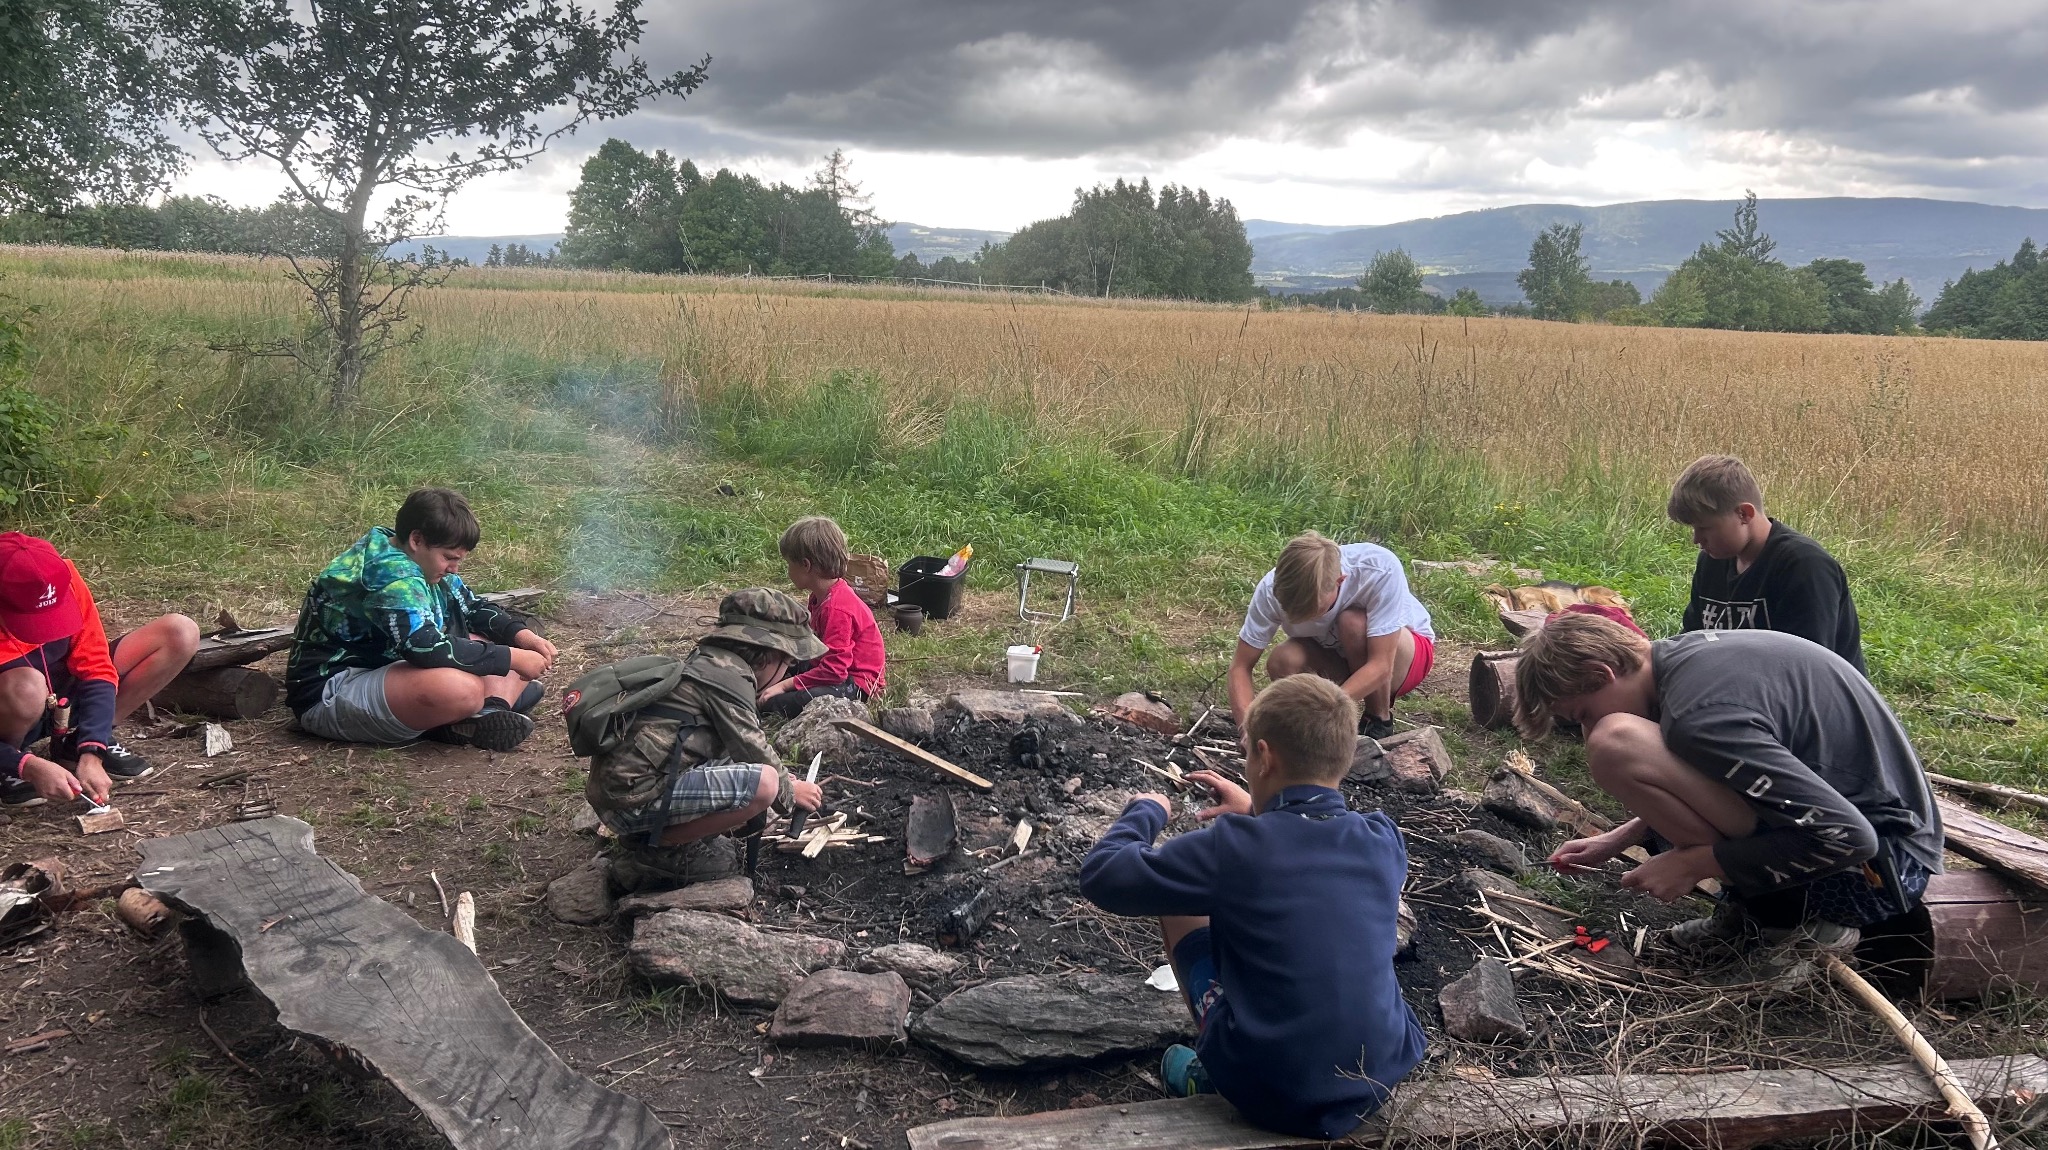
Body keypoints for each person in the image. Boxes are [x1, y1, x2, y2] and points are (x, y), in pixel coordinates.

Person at [1078, 675, 1425, 1140]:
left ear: (1264, 756)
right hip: (1378, 1076)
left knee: (1180, 905)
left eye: (1246, 755)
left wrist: (1147, 810)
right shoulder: (1383, 838)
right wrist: (1263, 815)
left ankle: (1212, 1069)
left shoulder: (1234, 849)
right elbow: (1306, 856)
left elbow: (1104, 876)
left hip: (1272, 1088)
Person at [1517, 612, 1942, 957]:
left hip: (1874, 877)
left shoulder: (1700, 716)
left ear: (1602, 672)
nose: (1587, 730)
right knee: (1628, 745)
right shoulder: (1682, 663)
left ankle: (1787, 929)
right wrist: (1617, 839)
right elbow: (1716, 783)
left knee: (1616, 744)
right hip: (1884, 844)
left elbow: (1850, 839)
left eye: (1582, 715)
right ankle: (1753, 913)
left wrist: (1692, 864)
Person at [580, 588, 825, 890]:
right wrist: (790, 790)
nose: (788, 670)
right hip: (631, 803)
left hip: (624, 792)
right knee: (766, 784)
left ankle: (651, 834)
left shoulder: (713, 661)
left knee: (758, 775)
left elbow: (739, 745)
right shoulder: (728, 678)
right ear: (769, 655)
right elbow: (754, 749)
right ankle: (662, 849)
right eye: (788, 663)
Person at [285, 488, 557, 752]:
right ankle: (475, 706)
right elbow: (423, 647)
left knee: (505, 644)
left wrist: (522, 637)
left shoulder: (417, 559)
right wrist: (511, 659)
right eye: (449, 558)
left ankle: (487, 711)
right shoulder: (391, 574)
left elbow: (472, 607)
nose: (454, 568)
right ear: (417, 540)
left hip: (388, 671)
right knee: (464, 688)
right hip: (331, 692)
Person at [0, 533, 199, 807]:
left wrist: (92, 748)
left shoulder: (56, 578)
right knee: (27, 686)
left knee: (179, 632)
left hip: (61, 697)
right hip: (15, 703)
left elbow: (96, 666)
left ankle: (77, 741)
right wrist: (24, 764)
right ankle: (6, 764)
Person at [1227, 531, 1434, 740]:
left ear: (1340, 581)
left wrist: (1326, 711)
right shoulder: (1271, 589)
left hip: (1404, 658)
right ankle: (1306, 731)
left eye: (1315, 610)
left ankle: (1378, 719)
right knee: (1284, 660)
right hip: (1340, 657)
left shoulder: (1378, 568)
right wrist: (1247, 730)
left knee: (1352, 622)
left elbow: (1381, 666)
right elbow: (1240, 667)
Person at [1669, 454, 1865, 674]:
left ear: (1744, 514)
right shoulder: (1712, 561)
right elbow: (1692, 640)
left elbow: (1807, 670)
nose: (1697, 540)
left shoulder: (1805, 567)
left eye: (1704, 528)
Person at [757, 517, 885, 719]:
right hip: (831, 668)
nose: (788, 571)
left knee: (773, 704)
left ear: (806, 565)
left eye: (790, 564)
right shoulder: (820, 596)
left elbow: (835, 672)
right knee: (781, 659)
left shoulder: (837, 609)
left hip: (855, 684)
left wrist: (785, 685)